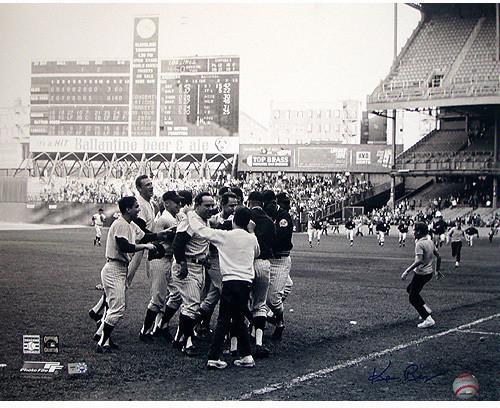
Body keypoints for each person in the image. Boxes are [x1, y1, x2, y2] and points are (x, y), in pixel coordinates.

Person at [187, 206, 260, 370]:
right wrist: (251, 232)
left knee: (224, 319)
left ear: (234, 220)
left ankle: (213, 356)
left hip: (230, 281)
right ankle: (247, 355)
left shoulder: (225, 236)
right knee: (239, 318)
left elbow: (201, 230)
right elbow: (257, 252)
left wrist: (191, 213)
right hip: (246, 282)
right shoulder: (251, 238)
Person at [95, 196, 157, 353]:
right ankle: (102, 342)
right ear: (128, 209)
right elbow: (124, 247)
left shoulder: (129, 224)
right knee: (117, 309)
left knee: (114, 307)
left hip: (119, 269)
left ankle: (104, 339)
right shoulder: (122, 224)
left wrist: (165, 234)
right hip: (114, 268)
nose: (139, 209)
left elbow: (146, 235)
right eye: (136, 207)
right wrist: (146, 246)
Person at [171, 192, 215, 356]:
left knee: (190, 305)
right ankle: (187, 343)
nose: (210, 208)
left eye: (212, 205)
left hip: (199, 266)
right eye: (207, 205)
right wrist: (182, 264)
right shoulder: (191, 220)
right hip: (187, 266)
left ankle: (179, 338)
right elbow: (178, 244)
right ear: (197, 205)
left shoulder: (205, 221)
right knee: (192, 305)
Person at [139, 191, 183, 342]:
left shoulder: (175, 217)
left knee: (177, 293)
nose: (179, 205)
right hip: (159, 258)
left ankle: (161, 326)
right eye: (176, 202)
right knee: (158, 298)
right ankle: (145, 331)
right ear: (167, 203)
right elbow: (158, 241)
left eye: (180, 202)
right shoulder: (164, 219)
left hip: (169, 259)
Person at [247, 191, 275, 357]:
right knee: (260, 304)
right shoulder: (270, 221)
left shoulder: (243, 216)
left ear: (250, 202)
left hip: (247, 263)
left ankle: (237, 344)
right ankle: (258, 342)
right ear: (262, 203)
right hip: (264, 263)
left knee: (243, 303)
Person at [401, 222, 442, 329]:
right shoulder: (430, 242)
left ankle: (428, 319)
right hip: (429, 273)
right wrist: (437, 270)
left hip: (421, 273)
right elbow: (439, 256)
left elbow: (419, 261)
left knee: (413, 297)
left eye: (414, 230)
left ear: (419, 231)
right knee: (410, 289)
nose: (413, 232)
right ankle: (426, 309)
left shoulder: (419, 244)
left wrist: (407, 271)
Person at [267, 191, 294, 341]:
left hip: (279, 257)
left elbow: (282, 237)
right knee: (287, 285)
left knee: (273, 299)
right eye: (285, 202)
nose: (288, 206)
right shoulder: (271, 213)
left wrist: (267, 245)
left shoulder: (283, 216)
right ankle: (266, 317)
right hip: (270, 258)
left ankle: (279, 321)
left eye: (288, 202)